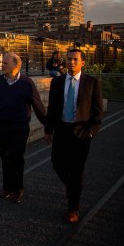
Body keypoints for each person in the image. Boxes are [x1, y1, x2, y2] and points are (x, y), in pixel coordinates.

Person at [44, 48, 103, 223]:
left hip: (81, 133)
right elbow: (53, 109)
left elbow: (98, 111)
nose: (71, 62)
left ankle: (73, 208)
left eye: (75, 59)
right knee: (57, 163)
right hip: (62, 130)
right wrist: (48, 130)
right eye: (69, 59)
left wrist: (92, 131)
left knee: (77, 170)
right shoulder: (57, 82)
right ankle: (74, 188)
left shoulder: (92, 82)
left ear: (82, 62)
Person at [0, 52, 46, 203]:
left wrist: (47, 124)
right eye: (2, 63)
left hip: (19, 126)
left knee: (17, 158)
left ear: (17, 66)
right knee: (5, 157)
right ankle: (7, 188)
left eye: (5, 63)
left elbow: (37, 104)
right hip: (2, 125)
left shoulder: (26, 83)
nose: (2, 65)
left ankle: (17, 189)